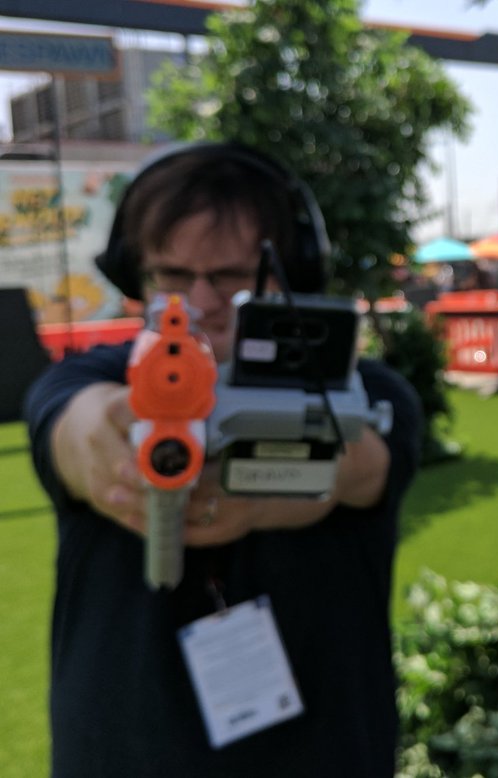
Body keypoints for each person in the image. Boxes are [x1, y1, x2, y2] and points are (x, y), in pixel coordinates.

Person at [23, 143, 423, 778]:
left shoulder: (363, 389)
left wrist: (267, 484)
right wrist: (120, 449)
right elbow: (79, 431)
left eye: (231, 277)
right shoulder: (89, 380)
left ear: (290, 272)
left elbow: (364, 464)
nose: (200, 302)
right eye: (173, 277)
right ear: (137, 275)